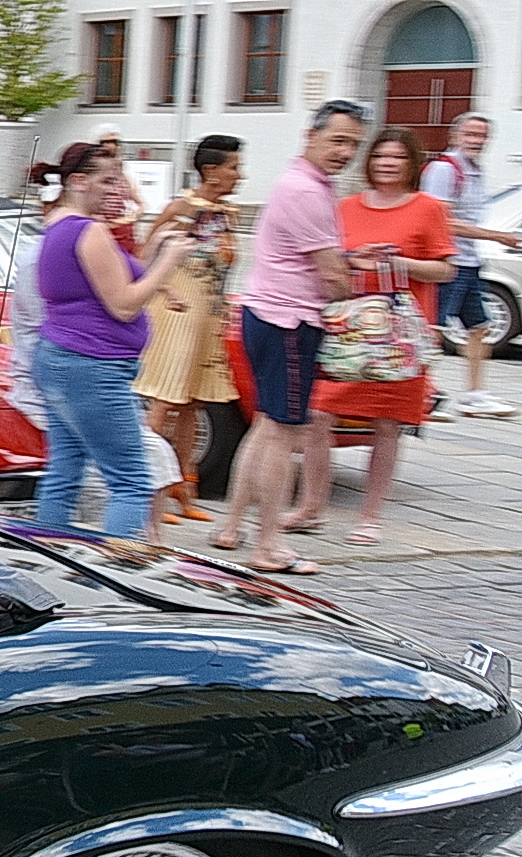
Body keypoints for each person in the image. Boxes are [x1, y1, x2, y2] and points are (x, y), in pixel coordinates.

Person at [211, 100, 368, 573]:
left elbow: (318, 258)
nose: (345, 152)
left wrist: (346, 261)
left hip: (266, 314)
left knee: (265, 425)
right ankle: (269, 545)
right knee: (285, 433)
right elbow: (331, 277)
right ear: (311, 136)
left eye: (353, 144)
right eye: (337, 140)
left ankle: (231, 527)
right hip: (290, 323)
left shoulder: (302, 183)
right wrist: (358, 287)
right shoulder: (306, 190)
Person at [284, 128, 454, 547]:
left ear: (412, 164)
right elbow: (329, 259)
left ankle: (370, 516)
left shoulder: (428, 208)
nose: (387, 164)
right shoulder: (346, 206)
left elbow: (445, 269)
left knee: (387, 424)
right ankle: (311, 506)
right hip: (349, 331)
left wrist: (401, 262)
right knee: (319, 415)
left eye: (397, 157)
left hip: (397, 339)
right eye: (380, 156)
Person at [30, 142, 192, 540]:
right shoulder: (90, 231)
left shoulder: (57, 225)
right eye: (108, 180)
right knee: (131, 480)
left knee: (64, 471)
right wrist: (169, 262)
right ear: (78, 182)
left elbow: (103, 283)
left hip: (59, 358)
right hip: (94, 367)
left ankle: (47, 553)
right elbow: (123, 305)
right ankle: (119, 569)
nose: (118, 188)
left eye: (119, 179)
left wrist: (155, 250)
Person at [133, 134, 244, 523]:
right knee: (164, 401)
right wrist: (166, 290)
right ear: (211, 171)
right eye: (234, 167)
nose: (240, 175)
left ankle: (185, 487)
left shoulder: (227, 214)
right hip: (178, 313)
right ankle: (149, 491)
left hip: (209, 316)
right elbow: (144, 255)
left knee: (192, 404)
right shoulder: (182, 208)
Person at [422, 112, 521, 418]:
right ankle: (424, 395)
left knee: (480, 327)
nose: (477, 141)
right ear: (455, 136)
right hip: (448, 262)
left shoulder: (475, 171)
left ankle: (475, 395)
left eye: (482, 136)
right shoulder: (445, 170)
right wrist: (495, 236)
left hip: (469, 262)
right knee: (433, 330)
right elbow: (440, 221)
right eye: (471, 134)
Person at [94, 124, 144, 255]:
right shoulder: (92, 176)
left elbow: (141, 204)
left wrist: (130, 217)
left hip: (122, 235)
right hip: (100, 234)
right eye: (107, 142)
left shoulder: (123, 178)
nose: (112, 146)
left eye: (116, 142)